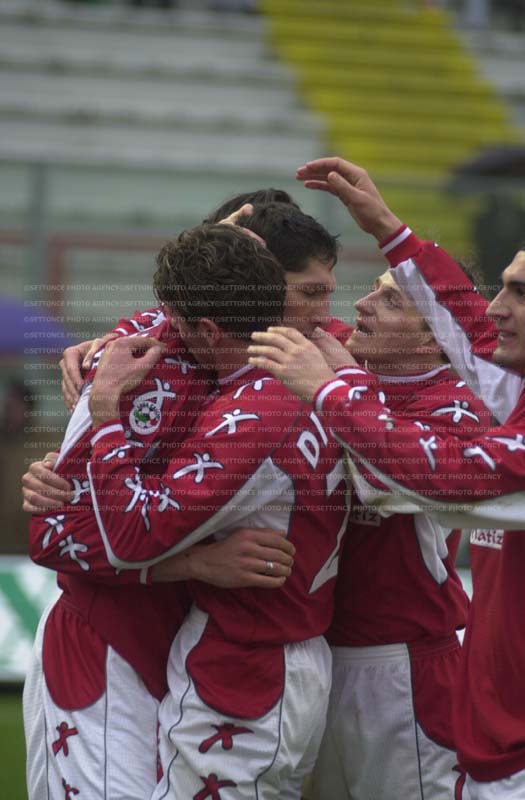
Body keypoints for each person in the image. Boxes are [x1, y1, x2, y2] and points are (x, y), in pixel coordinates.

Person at [23, 200, 344, 799]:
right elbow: (52, 534)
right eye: (309, 292)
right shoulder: (133, 366)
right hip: (105, 641)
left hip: (193, 649)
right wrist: (193, 563)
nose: (325, 315)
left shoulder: (290, 370)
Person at [248, 157, 525, 800]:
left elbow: (433, 477)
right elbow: (468, 324)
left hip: (405, 668)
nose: (496, 310)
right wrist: (121, 345)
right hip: (345, 658)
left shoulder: (457, 409)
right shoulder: (504, 391)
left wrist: (334, 391)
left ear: (431, 344)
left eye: (519, 293)